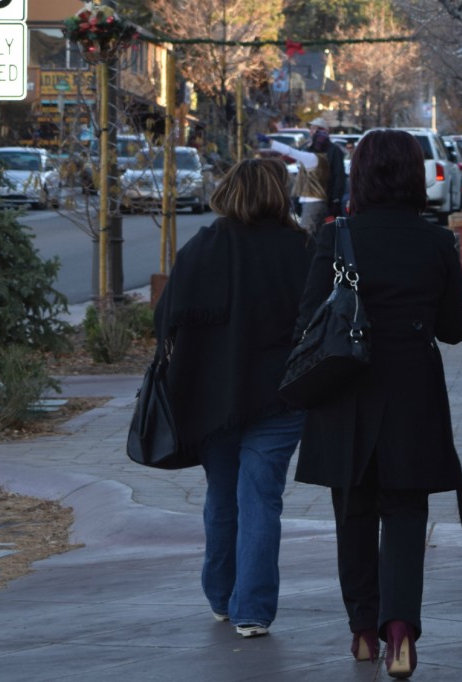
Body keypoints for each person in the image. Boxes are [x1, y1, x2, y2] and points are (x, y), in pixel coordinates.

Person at [293, 129, 462, 679]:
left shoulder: (337, 236)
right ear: (415, 176)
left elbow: (307, 322)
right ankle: (402, 632)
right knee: (405, 511)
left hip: (346, 389)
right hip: (412, 388)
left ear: (363, 175)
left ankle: (364, 632)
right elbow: (456, 329)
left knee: (353, 511)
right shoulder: (435, 242)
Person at [152, 158, 313, 639]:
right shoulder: (301, 248)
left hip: (211, 398)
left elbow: (166, 320)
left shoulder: (204, 247)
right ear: (279, 194)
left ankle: (221, 595)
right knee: (261, 498)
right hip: (281, 395)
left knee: (222, 495)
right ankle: (253, 609)